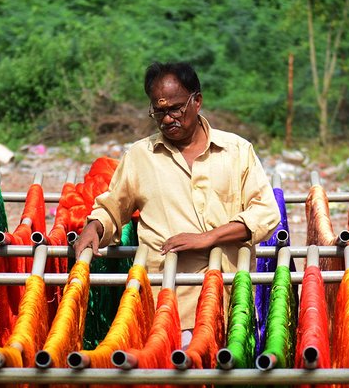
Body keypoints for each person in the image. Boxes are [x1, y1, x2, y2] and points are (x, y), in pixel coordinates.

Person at [75, 62, 280, 342]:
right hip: (166, 302)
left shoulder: (237, 152)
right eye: (158, 112)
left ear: (197, 101)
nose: (168, 118)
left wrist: (208, 238)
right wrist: (95, 227)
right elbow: (113, 208)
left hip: (228, 301)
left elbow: (266, 213)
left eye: (175, 109)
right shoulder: (140, 156)